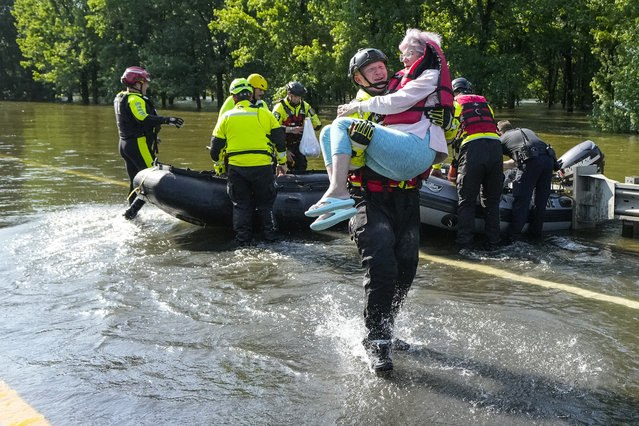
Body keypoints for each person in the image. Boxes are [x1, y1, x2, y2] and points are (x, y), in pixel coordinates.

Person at [309, 29, 451, 373]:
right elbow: (344, 144)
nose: (378, 71)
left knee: (406, 270)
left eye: (380, 66)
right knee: (382, 266)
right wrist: (359, 137)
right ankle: (376, 341)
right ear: (358, 78)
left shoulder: (408, 90)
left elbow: (428, 101)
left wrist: (444, 119)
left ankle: (387, 328)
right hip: (368, 197)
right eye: (368, 69)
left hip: (406, 196)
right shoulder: (359, 108)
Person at [209, 78, 287, 245]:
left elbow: (215, 149)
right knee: (266, 205)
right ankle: (271, 239)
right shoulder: (265, 114)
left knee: (241, 205)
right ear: (251, 96)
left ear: (233, 97)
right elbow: (279, 141)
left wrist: (220, 167)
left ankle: (243, 242)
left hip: (237, 169)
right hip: (263, 167)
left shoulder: (226, 117)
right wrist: (282, 162)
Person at [114, 66, 184, 219]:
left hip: (125, 144)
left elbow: (130, 122)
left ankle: (131, 215)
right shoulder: (134, 99)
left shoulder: (121, 96)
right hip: (137, 145)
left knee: (134, 180)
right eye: (145, 83)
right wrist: (168, 120)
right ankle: (131, 213)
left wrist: (152, 137)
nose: (147, 86)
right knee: (150, 179)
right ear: (137, 84)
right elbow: (142, 118)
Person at [445, 77, 502, 251]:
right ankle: (494, 244)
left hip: (472, 150)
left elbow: (448, 132)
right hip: (495, 149)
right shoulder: (486, 104)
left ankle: (465, 246)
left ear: (454, 91)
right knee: (492, 202)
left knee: (467, 201)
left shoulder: (455, 104)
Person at [498, 120, 558, 242]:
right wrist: (502, 165)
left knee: (522, 200)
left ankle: (513, 238)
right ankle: (536, 236)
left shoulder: (502, 139)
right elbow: (521, 159)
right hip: (549, 161)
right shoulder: (526, 131)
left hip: (531, 163)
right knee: (540, 201)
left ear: (499, 132)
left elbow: (493, 158)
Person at [272, 81, 322, 172]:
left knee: (301, 167)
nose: (297, 99)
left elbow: (318, 125)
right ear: (289, 94)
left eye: (299, 96)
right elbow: (273, 130)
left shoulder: (305, 106)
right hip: (281, 146)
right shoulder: (279, 108)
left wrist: (310, 122)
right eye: (295, 96)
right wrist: (285, 150)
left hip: (299, 146)